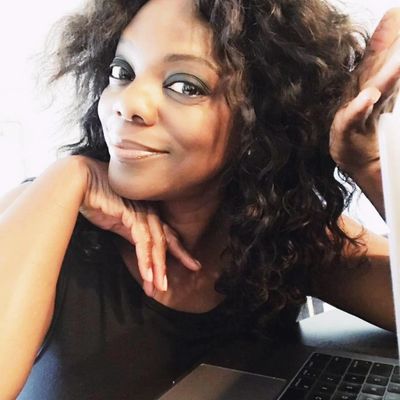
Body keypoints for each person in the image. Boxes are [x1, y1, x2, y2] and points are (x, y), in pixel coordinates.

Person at [0, 0, 399, 398]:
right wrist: (69, 176)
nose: (127, 103)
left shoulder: (283, 238)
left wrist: (368, 163)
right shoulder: (42, 211)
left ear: (264, 119)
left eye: (184, 86)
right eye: (122, 72)